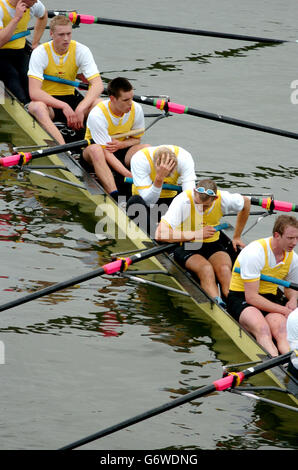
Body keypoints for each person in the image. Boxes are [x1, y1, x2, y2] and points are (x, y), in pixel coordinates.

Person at [155, 178, 251, 306]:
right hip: (186, 244)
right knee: (206, 269)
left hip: (212, 243)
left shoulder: (224, 199)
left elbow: (246, 202)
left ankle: (237, 306)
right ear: (195, 192)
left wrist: (237, 236)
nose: (201, 208)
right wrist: (196, 234)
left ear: (215, 199)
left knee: (224, 270)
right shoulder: (183, 201)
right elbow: (160, 234)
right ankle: (218, 306)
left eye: (206, 206)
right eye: (197, 203)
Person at [227, 215, 298, 357]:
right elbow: (252, 297)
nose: (294, 242)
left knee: (283, 330)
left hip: (270, 298)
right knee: (263, 329)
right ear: (277, 235)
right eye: (290, 238)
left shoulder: (293, 258)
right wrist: (284, 310)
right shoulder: (255, 252)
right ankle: (274, 365)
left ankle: (292, 366)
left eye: (297, 238)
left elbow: (292, 288)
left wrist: (292, 300)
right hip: (242, 298)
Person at [27, 15, 103, 144]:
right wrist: (63, 106)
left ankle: (101, 144)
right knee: (36, 107)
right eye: (61, 35)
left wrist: (81, 108)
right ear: (51, 34)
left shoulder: (81, 50)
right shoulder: (40, 52)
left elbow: (98, 85)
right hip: (49, 103)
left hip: (71, 98)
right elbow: (34, 92)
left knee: (100, 104)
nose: (66, 39)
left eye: (69, 34)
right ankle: (63, 150)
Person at [83, 76, 149, 201]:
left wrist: (121, 145)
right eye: (125, 100)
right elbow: (106, 151)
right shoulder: (98, 114)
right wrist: (127, 174)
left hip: (120, 150)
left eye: (131, 98)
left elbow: (136, 139)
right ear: (112, 99)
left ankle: (151, 191)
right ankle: (115, 197)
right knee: (96, 150)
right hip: (96, 154)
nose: (130, 103)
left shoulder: (136, 109)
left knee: (147, 149)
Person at [126, 145, 196, 236]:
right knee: (134, 202)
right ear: (155, 164)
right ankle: (157, 235)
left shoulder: (184, 158)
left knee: (193, 199)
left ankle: (171, 233)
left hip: (169, 200)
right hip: (145, 202)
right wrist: (159, 179)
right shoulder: (140, 159)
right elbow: (149, 201)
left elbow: (189, 194)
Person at [0, 0, 47, 105]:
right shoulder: (1, 7)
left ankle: (40, 106)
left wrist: (35, 43)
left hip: (20, 51)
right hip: (1, 53)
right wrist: (16, 18)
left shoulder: (34, 4)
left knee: (30, 76)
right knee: (12, 75)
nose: (36, 1)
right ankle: (25, 105)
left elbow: (43, 15)